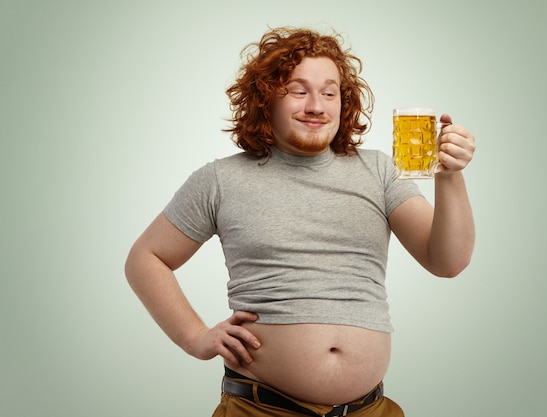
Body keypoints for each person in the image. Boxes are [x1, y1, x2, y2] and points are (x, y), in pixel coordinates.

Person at [125, 26, 475, 417]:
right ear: (266, 100)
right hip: (260, 410)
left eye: (329, 92)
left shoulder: (379, 171)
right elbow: (146, 258)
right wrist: (195, 337)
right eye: (298, 90)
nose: (316, 106)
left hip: (369, 410)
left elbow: (447, 261)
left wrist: (449, 176)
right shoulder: (220, 180)